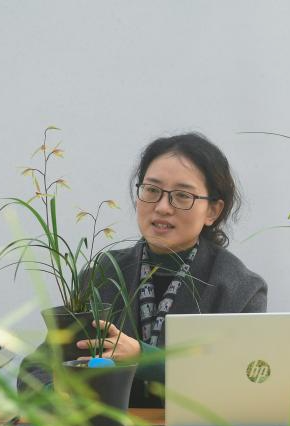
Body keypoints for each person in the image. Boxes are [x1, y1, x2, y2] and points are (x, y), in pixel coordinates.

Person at [20, 131, 267, 408]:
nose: (162, 207)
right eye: (152, 190)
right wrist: (60, 402)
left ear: (213, 211)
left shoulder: (239, 288)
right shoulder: (103, 274)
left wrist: (145, 358)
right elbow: (35, 370)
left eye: (182, 196)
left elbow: (246, 379)